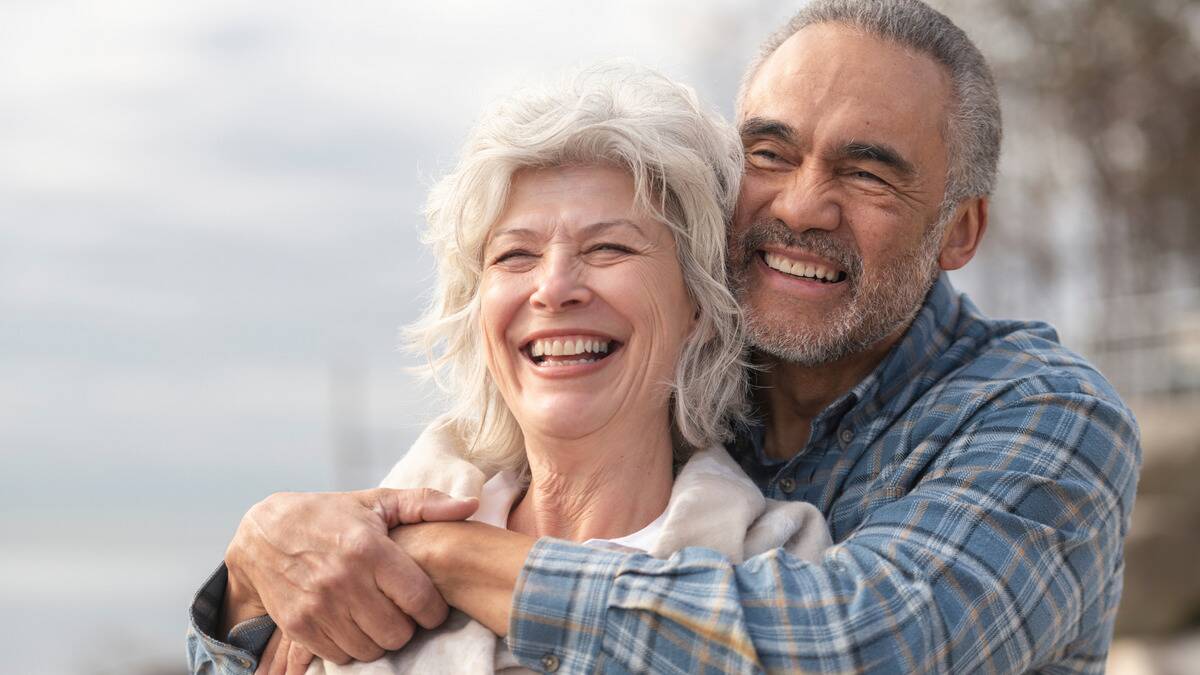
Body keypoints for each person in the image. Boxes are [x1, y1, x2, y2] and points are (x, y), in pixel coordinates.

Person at [190, 1, 1142, 673]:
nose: (803, 204)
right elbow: (310, 598)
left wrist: (447, 560)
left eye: (868, 172)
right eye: (769, 153)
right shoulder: (661, 377)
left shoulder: (1043, 413)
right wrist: (255, 563)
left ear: (961, 232)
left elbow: (869, 646)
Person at [188, 64, 833, 675]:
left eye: (608, 248)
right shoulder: (347, 567)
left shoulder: (781, 564)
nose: (554, 289)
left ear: (698, 302)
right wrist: (246, 580)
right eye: (514, 255)